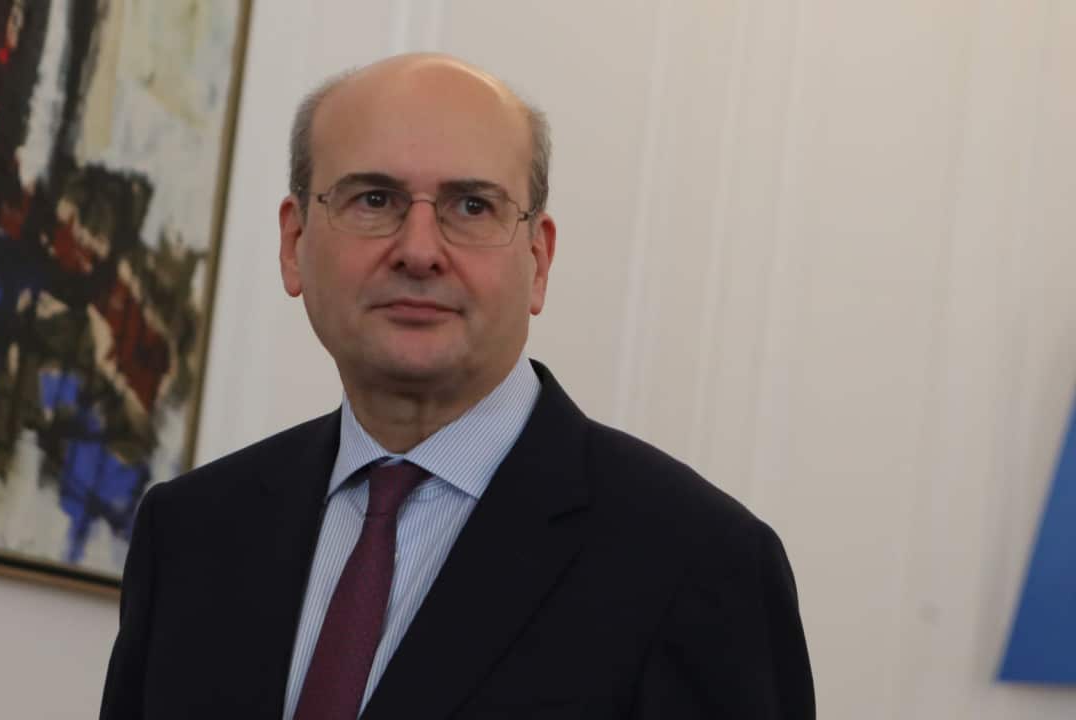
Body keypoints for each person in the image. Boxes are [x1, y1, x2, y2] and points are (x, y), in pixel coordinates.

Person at [99, 53, 815, 719]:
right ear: (294, 244)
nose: (418, 251)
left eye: (472, 206)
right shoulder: (190, 535)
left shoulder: (699, 564)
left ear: (538, 261)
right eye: (373, 199)